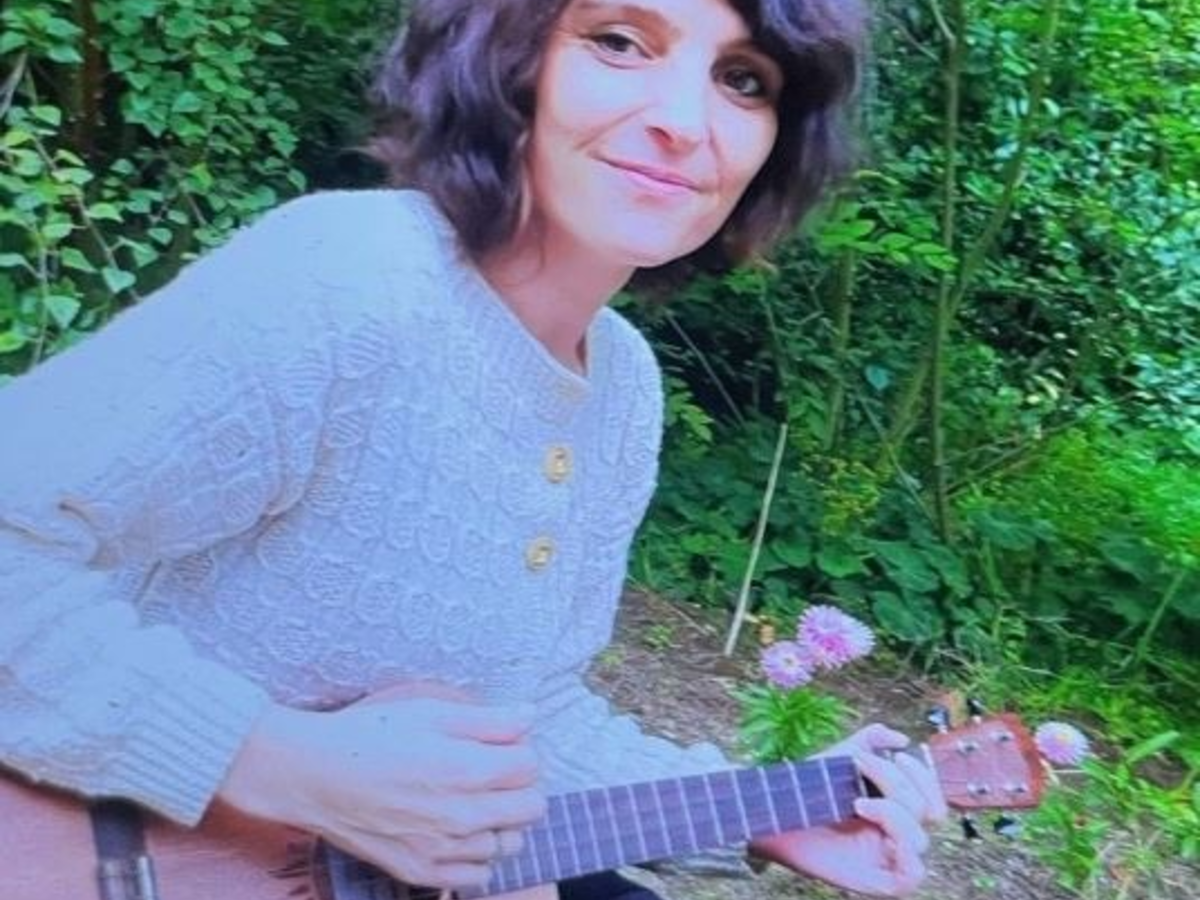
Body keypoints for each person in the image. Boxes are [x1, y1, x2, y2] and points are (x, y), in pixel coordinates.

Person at [0, 0, 947, 898]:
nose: (683, 122)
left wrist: (760, 810)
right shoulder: (350, 280)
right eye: (620, 41)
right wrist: (280, 765)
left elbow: (530, 719)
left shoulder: (622, 390)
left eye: (744, 81)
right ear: (511, 61)